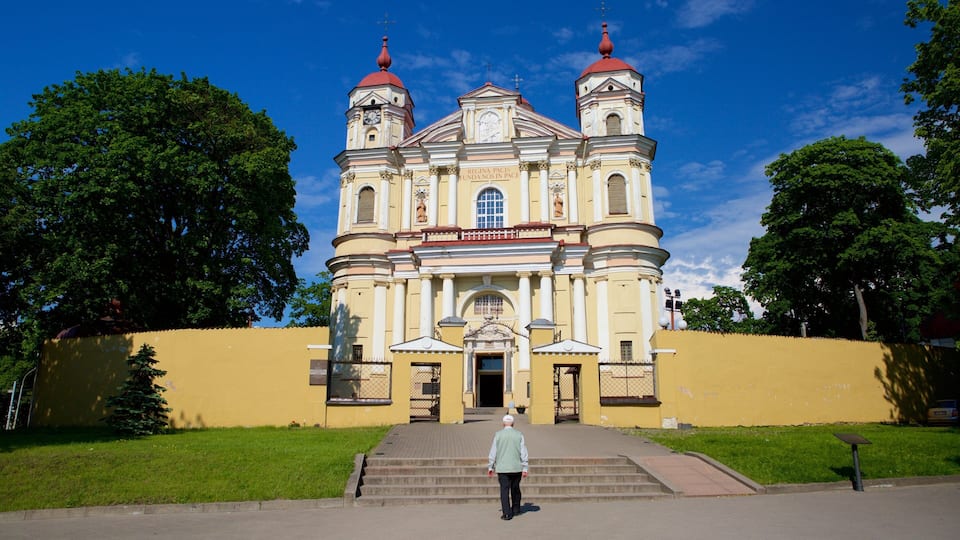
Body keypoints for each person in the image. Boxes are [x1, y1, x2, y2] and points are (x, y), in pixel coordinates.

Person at [487, 414, 528, 520]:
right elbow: (523, 452)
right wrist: (525, 467)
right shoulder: (519, 435)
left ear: (503, 423)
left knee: (504, 490)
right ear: (513, 423)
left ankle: (506, 513)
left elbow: (493, 452)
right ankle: (516, 509)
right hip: (516, 467)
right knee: (515, 488)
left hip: (502, 468)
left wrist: (490, 466)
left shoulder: (498, 435)